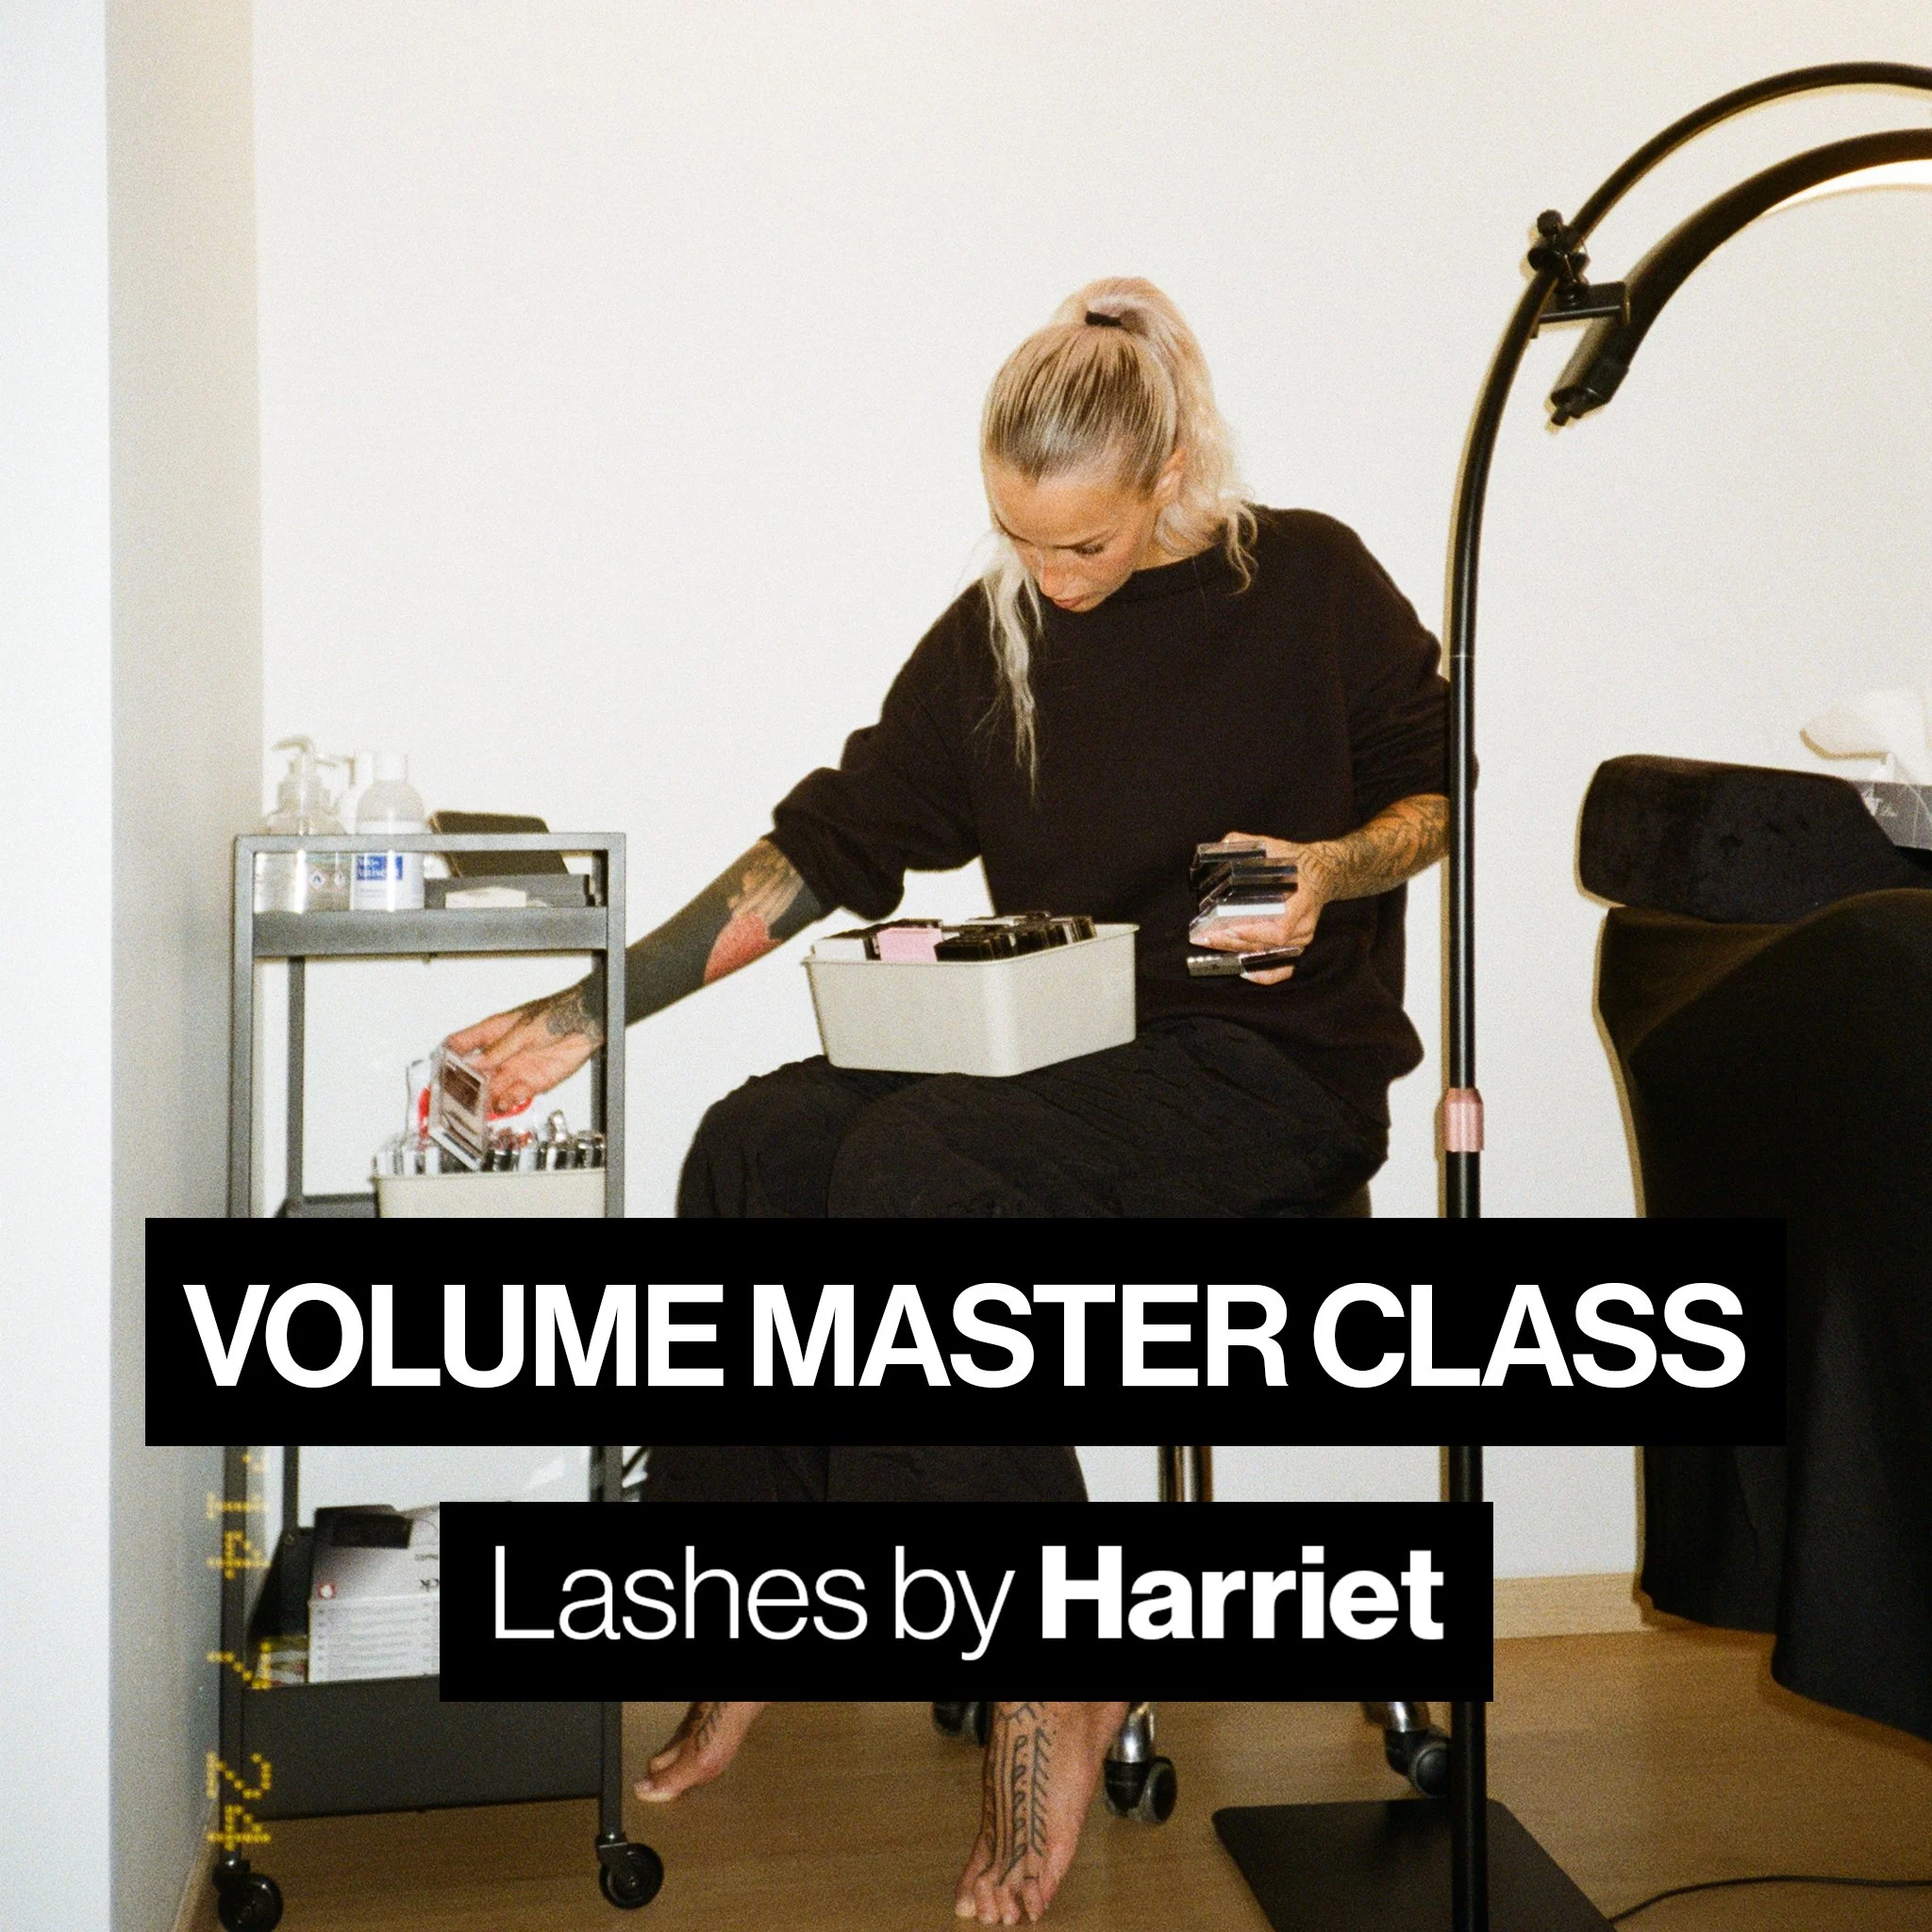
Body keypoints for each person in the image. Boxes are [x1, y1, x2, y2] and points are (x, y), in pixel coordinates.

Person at [448, 277, 1449, 1925]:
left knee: (917, 1167)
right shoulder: (1000, 633)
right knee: (758, 1142)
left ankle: (1057, 1666)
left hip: (1274, 1076)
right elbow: (832, 845)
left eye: (1084, 544)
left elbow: (1434, 778)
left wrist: (1335, 869)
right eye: (1020, 538)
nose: (1052, 576)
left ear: (1172, 473)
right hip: (1061, 1057)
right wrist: (588, 1013)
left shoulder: (1311, 581)